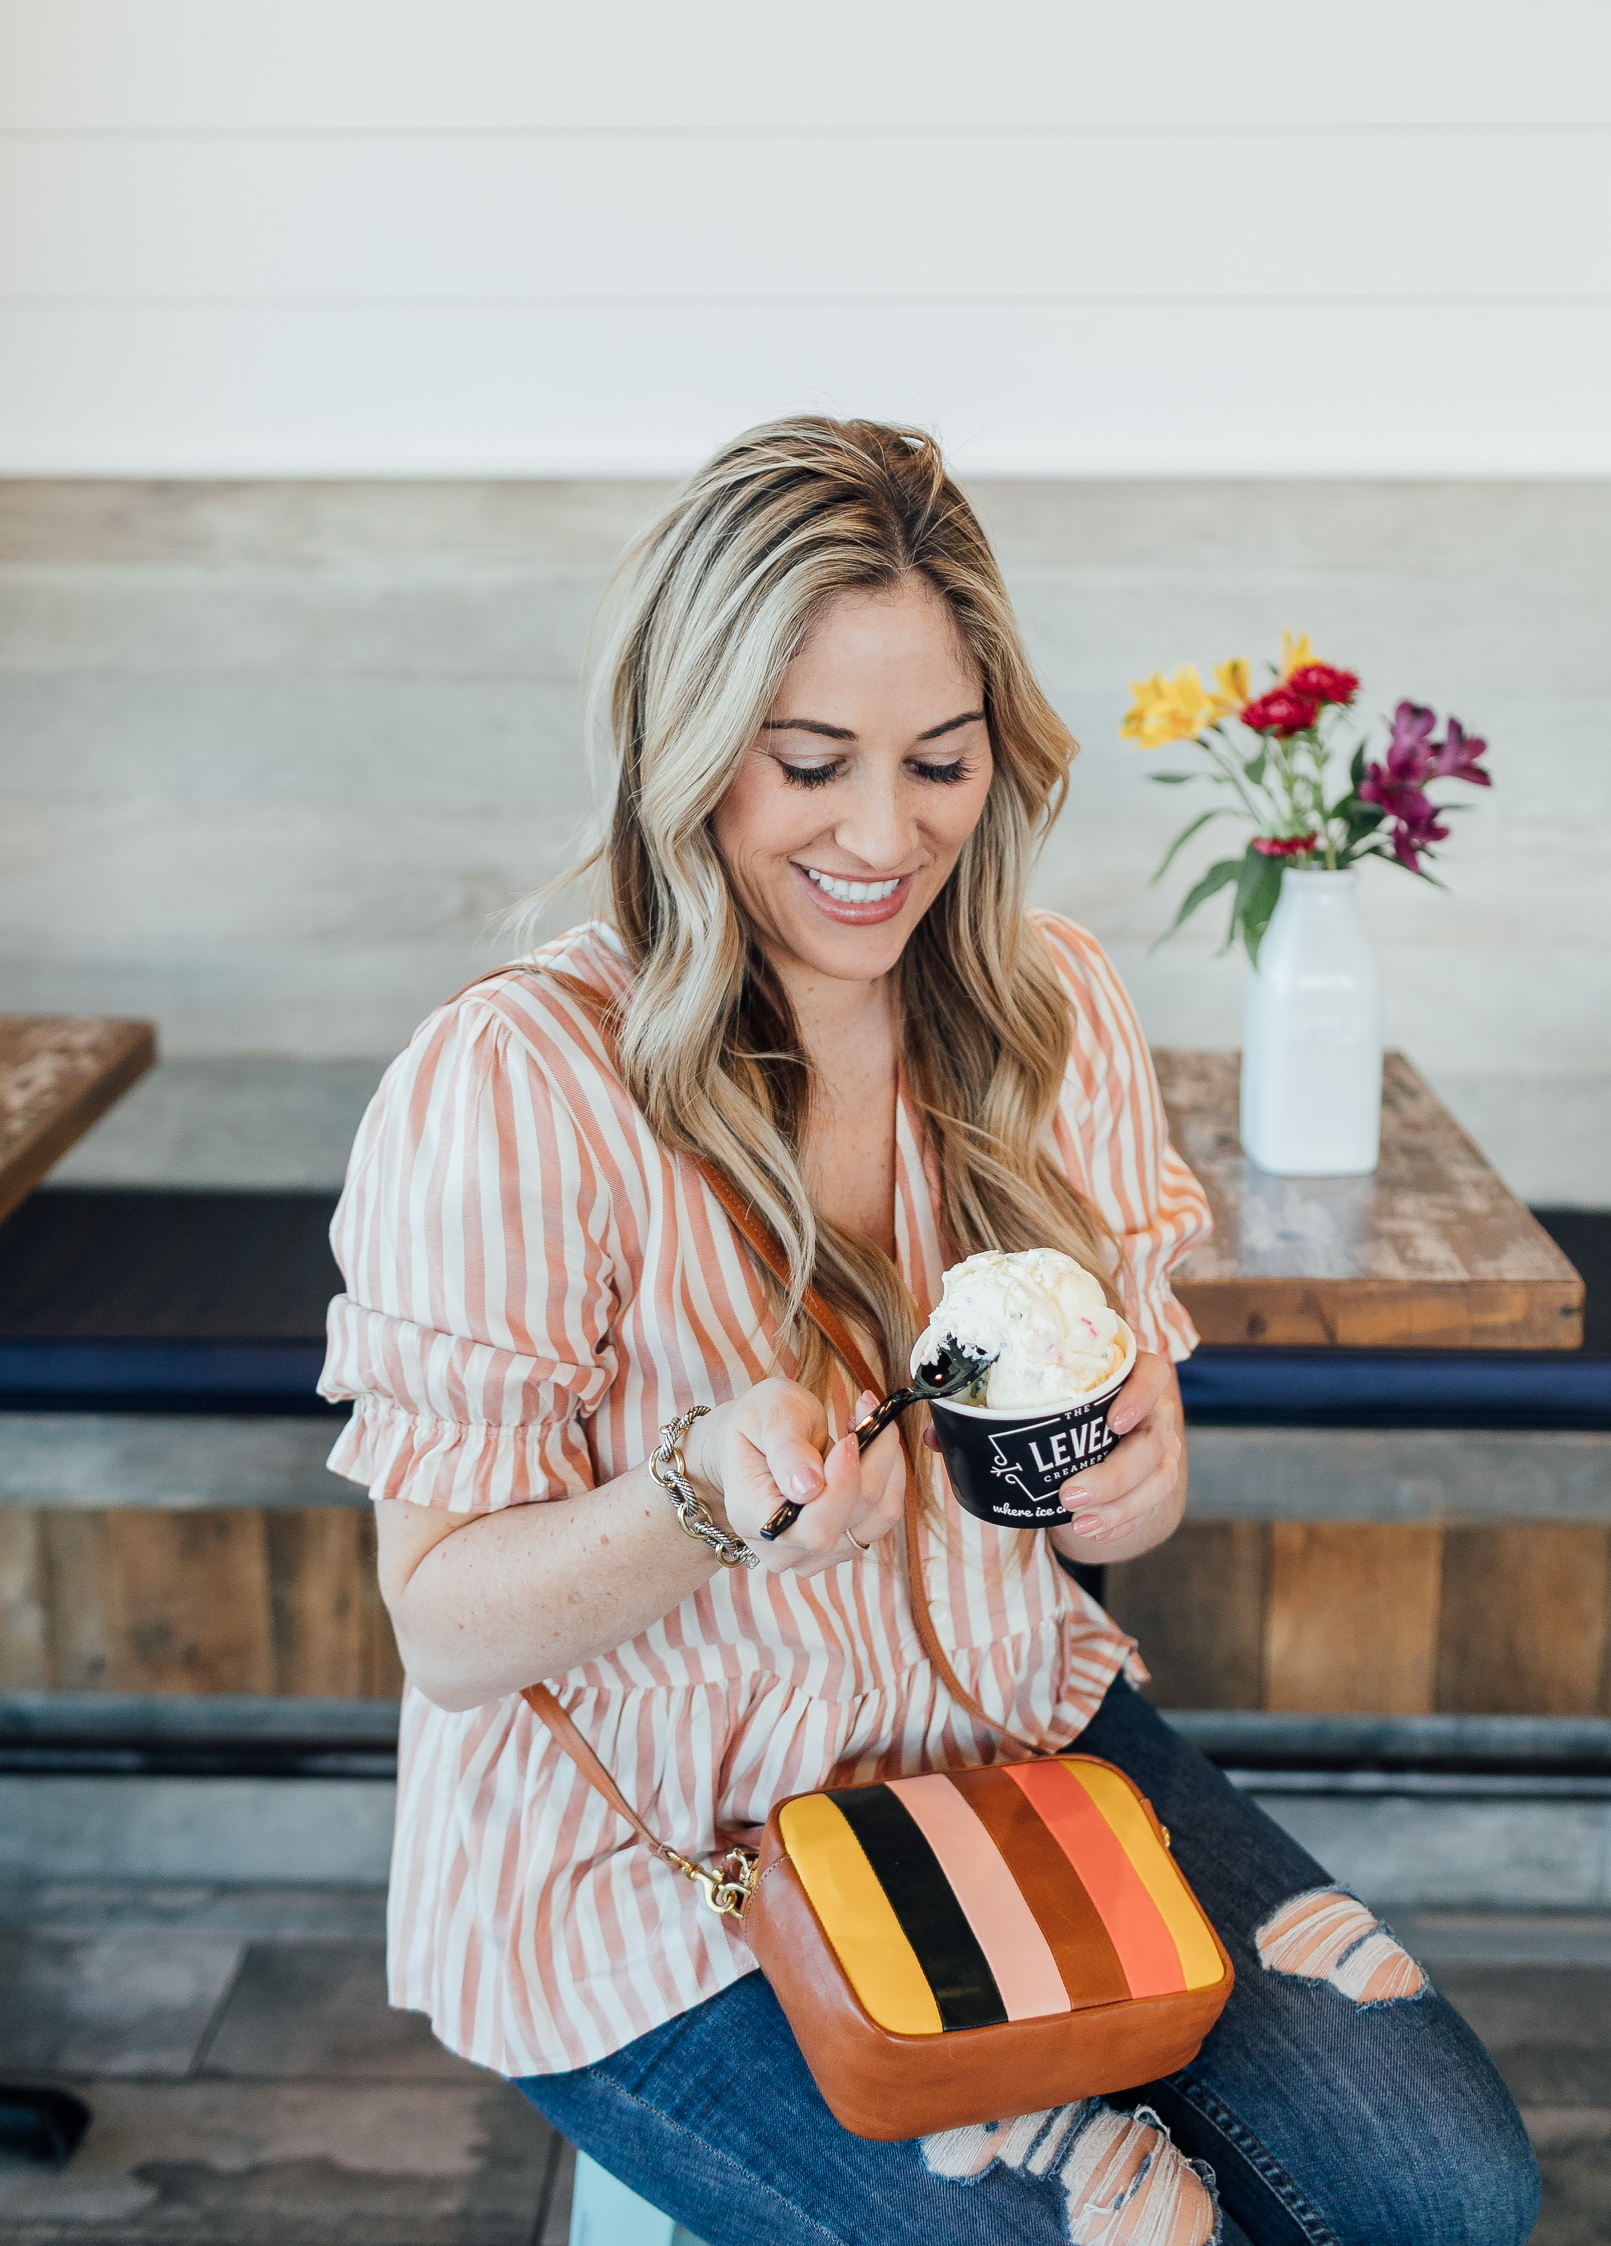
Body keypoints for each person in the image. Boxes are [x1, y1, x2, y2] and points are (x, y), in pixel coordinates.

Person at [321, 420, 1539, 2246]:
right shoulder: (513, 1085)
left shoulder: (1053, 1011)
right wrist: (700, 1499)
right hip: (657, 1868)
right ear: (684, 750)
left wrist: (1141, 1479)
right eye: (810, 766)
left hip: (1010, 1753)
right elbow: (442, 1624)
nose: (885, 839)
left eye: (940, 762)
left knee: (1448, 2192)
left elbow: (1121, 1446)